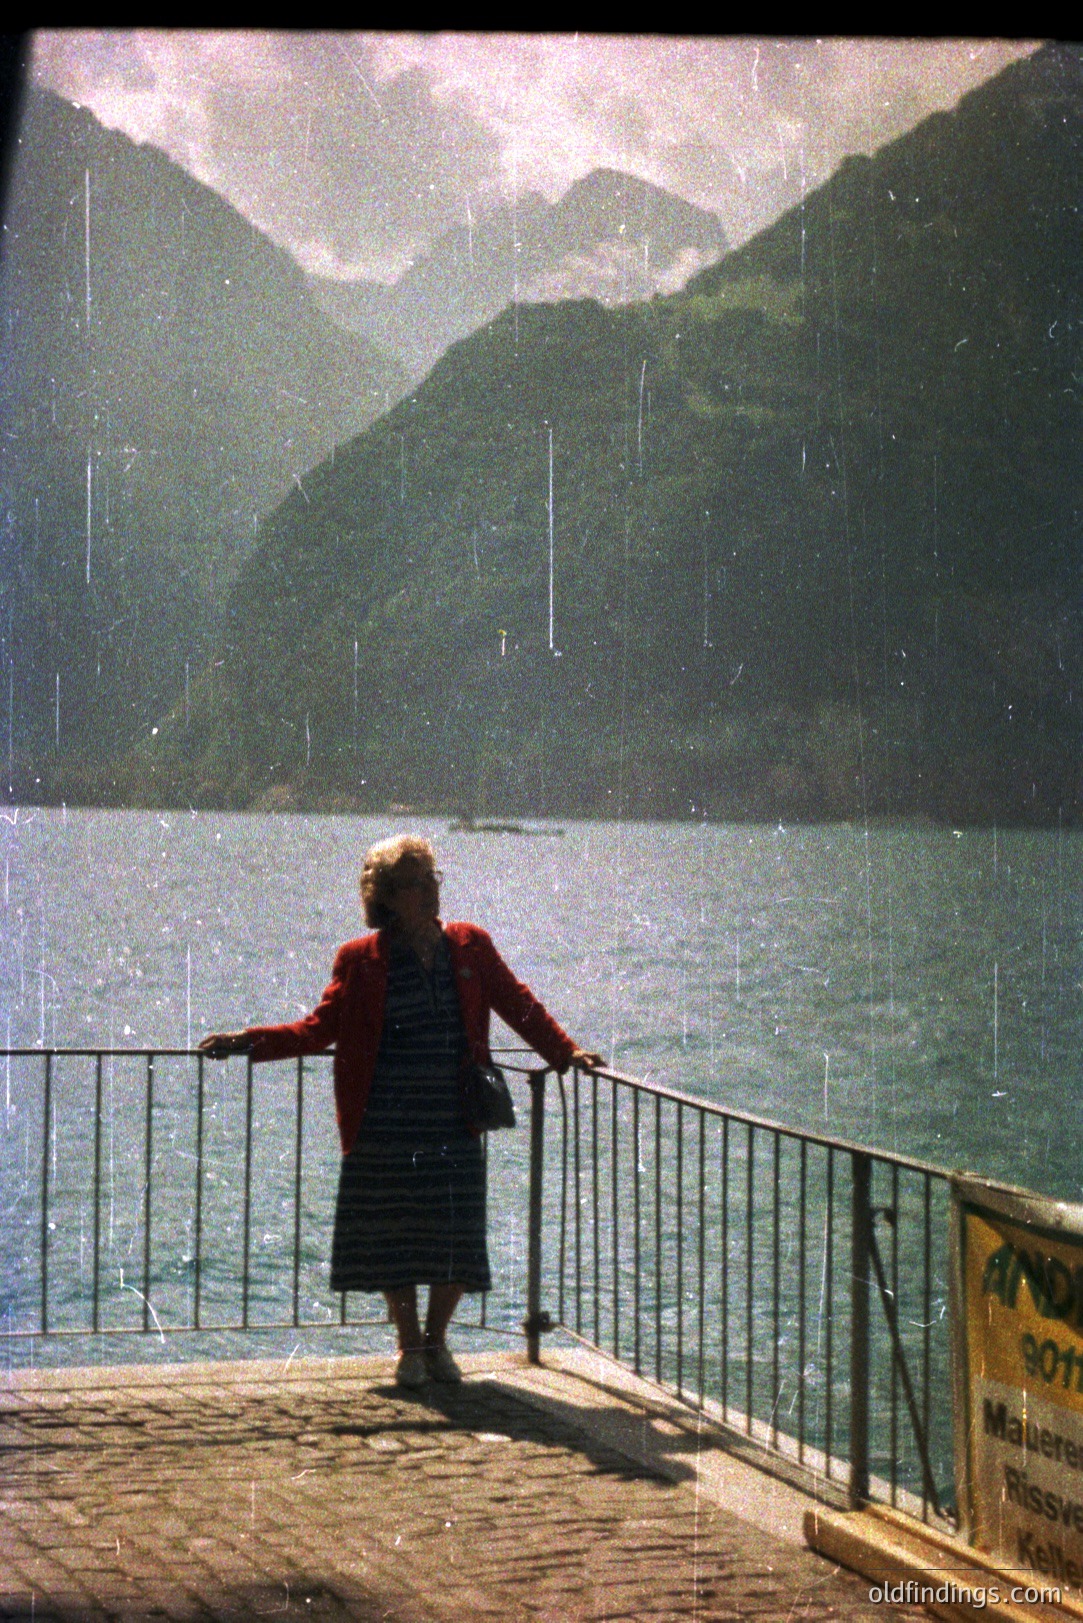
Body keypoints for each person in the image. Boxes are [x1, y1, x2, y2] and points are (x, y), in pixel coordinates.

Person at [199, 834, 602, 1389]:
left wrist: (566, 1052)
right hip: (385, 1119)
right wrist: (248, 1041)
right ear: (387, 896)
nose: (431, 890)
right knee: (396, 1240)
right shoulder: (360, 959)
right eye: (416, 882)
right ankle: (410, 1347)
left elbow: (519, 1004)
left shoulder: (471, 946)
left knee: (456, 1238)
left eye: (433, 878)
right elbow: (319, 1029)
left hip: (452, 1117)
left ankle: (437, 1342)